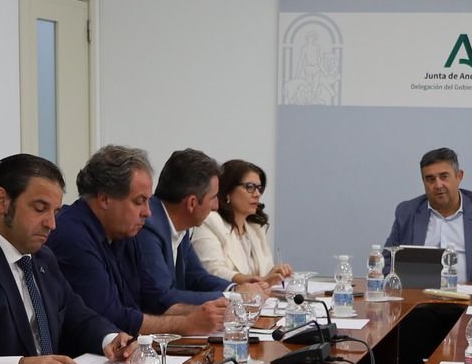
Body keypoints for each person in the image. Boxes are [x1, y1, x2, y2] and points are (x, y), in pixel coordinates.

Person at [0, 154, 136, 364]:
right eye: (40, 209)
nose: (52, 224)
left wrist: (110, 339)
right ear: (2, 202)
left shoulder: (43, 257)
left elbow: (75, 314)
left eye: (56, 212)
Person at [44, 144, 229, 338]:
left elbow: (154, 300)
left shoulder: (123, 233)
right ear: (105, 199)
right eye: (139, 201)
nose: (148, 212)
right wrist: (186, 323)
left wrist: (206, 313)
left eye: (148, 201)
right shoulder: (72, 236)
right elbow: (113, 318)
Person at [135, 147, 260, 307]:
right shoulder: (148, 227)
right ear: (192, 203)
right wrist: (232, 297)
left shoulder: (181, 226)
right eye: (213, 198)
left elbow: (197, 277)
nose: (216, 206)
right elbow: (160, 297)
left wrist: (236, 288)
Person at [383, 147, 472, 285]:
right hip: (421, 299)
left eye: (444, 176)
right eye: (430, 179)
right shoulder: (407, 212)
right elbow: (387, 260)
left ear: (459, 176)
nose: (438, 185)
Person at [192, 159, 291, 287]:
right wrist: (260, 280)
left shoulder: (255, 229)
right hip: (225, 302)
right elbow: (213, 271)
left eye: (259, 188)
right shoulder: (210, 221)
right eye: (250, 187)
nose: (257, 194)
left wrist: (275, 275)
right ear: (228, 191)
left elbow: (266, 275)